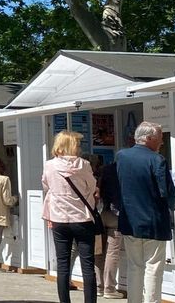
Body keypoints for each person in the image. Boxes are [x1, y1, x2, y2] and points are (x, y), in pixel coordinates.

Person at [116, 121, 175, 303]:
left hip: (129, 220)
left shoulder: (121, 156)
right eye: (159, 138)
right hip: (154, 221)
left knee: (134, 266)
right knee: (153, 267)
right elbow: (167, 192)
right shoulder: (157, 159)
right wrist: (171, 207)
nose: (162, 142)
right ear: (149, 138)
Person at [42, 130, 99, 303]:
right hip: (82, 217)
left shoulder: (49, 165)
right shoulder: (84, 165)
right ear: (72, 146)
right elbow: (92, 186)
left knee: (63, 264)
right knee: (87, 265)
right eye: (78, 144)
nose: (80, 147)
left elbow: (46, 185)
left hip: (59, 218)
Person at [98, 160, 125, 299]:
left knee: (99, 252)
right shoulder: (125, 172)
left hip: (103, 212)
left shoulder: (106, 171)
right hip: (117, 215)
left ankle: (99, 286)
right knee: (112, 253)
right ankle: (109, 288)